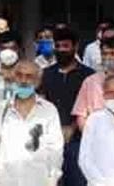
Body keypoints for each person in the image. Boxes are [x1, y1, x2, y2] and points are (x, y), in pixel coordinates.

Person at [0, 60, 64, 186]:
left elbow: (56, 149)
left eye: (29, 76)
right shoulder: (3, 108)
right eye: (19, 75)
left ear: (37, 81)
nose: (23, 80)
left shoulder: (49, 110)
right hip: (5, 180)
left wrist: (52, 179)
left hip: (37, 180)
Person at [39, 28, 95, 186]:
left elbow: (90, 107)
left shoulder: (88, 75)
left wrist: (72, 128)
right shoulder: (46, 74)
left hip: (78, 141)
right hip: (49, 140)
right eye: (58, 46)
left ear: (75, 47)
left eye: (65, 46)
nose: (61, 50)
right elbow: (41, 103)